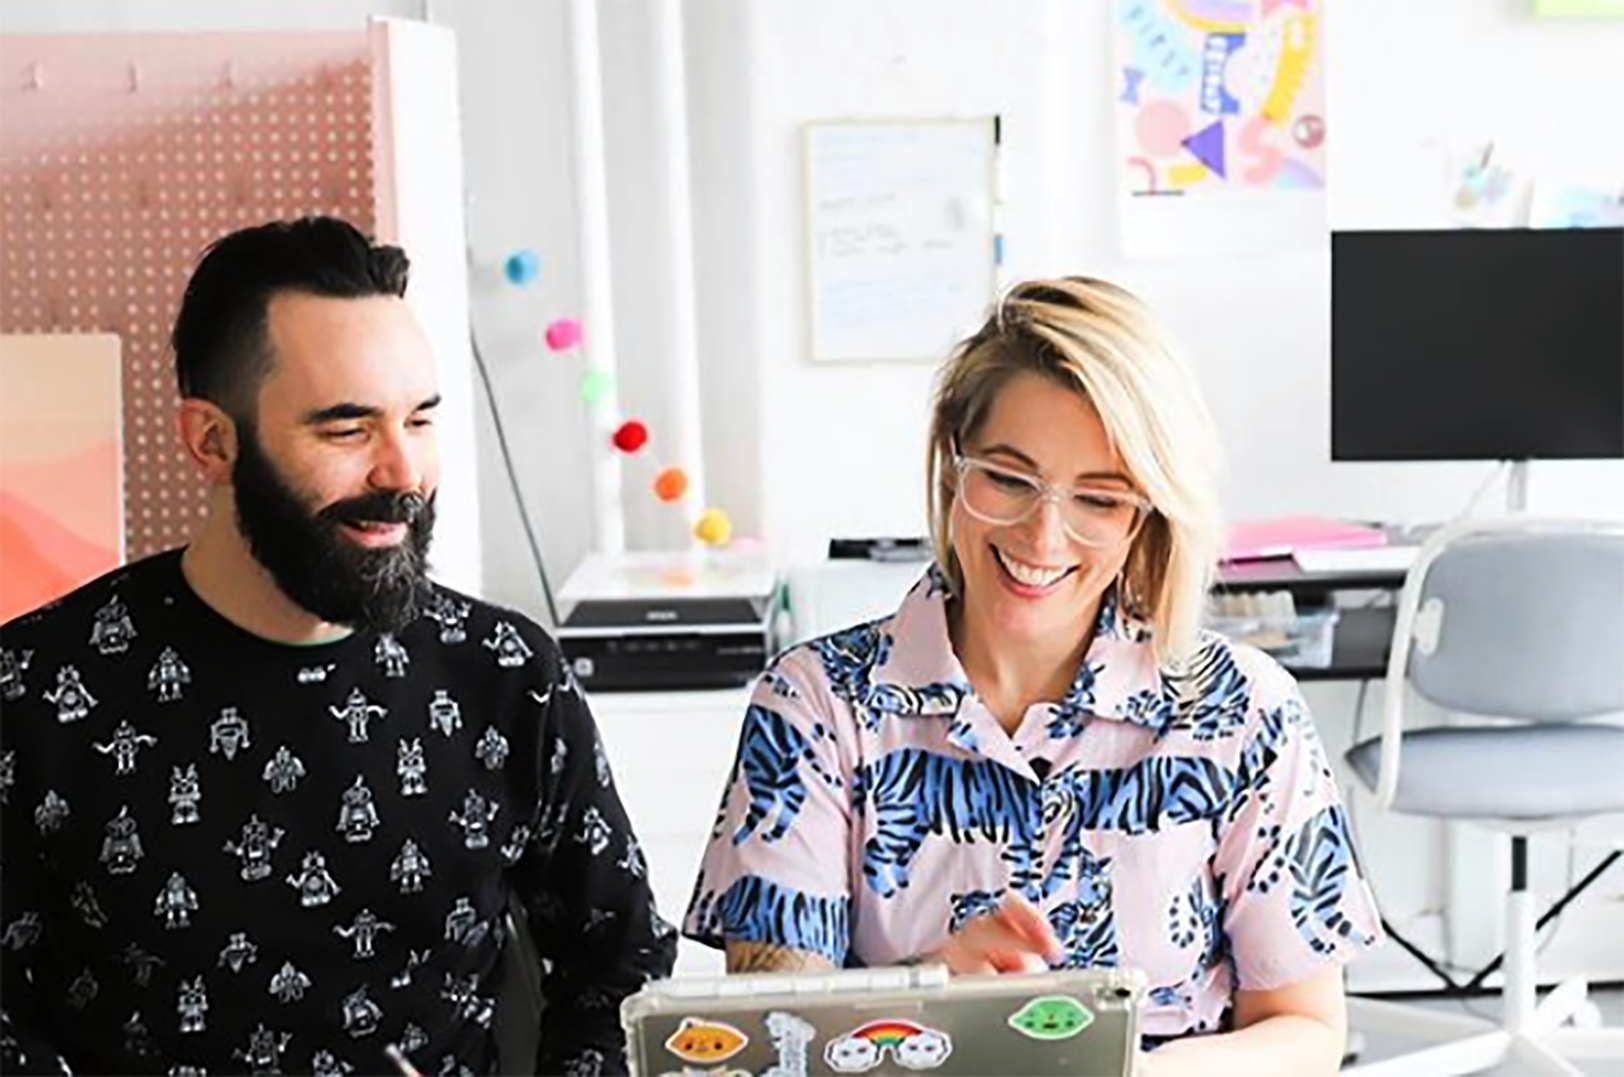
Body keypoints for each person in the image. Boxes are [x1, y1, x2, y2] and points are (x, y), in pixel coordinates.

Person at [0, 217, 675, 1076]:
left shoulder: (506, 676)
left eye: (420, 420)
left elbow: (619, 963)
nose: (403, 473)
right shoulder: (37, 689)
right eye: (347, 429)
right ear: (212, 441)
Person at [684, 277, 1382, 1074]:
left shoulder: (1245, 710)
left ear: (1146, 515)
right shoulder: (814, 703)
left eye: (1100, 497)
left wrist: (1126, 1072)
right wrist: (926, 997)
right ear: (953, 462)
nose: (1043, 535)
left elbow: (1305, 1028)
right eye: (1010, 479)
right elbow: (774, 1045)